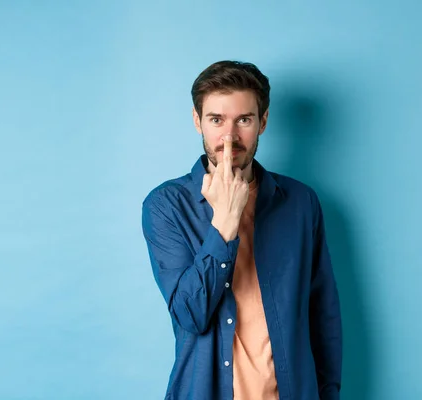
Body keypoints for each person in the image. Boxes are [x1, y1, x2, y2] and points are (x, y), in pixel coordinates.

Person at [141, 60, 342, 400]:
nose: (229, 137)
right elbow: (191, 314)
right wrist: (225, 222)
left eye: (244, 120)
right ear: (197, 121)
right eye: (216, 120)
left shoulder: (300, 203)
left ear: (262, 122)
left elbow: (323, 317)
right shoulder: (166, 205)